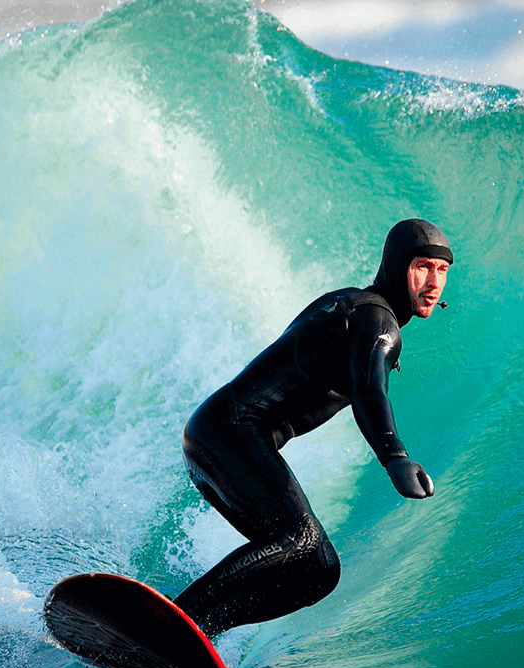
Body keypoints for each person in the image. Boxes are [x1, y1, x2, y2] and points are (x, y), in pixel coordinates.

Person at [173, 218, 453, 636]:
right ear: (397, 266)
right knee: (299, 539)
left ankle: (199, 631)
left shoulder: (347, 303)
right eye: (422, 267)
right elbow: (370, 391)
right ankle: (178, 623)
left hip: (216, 432)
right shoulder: (379, 321)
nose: (433, 282)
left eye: (442, 270)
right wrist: (394, 456)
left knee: (318, 568)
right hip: (232, 430)